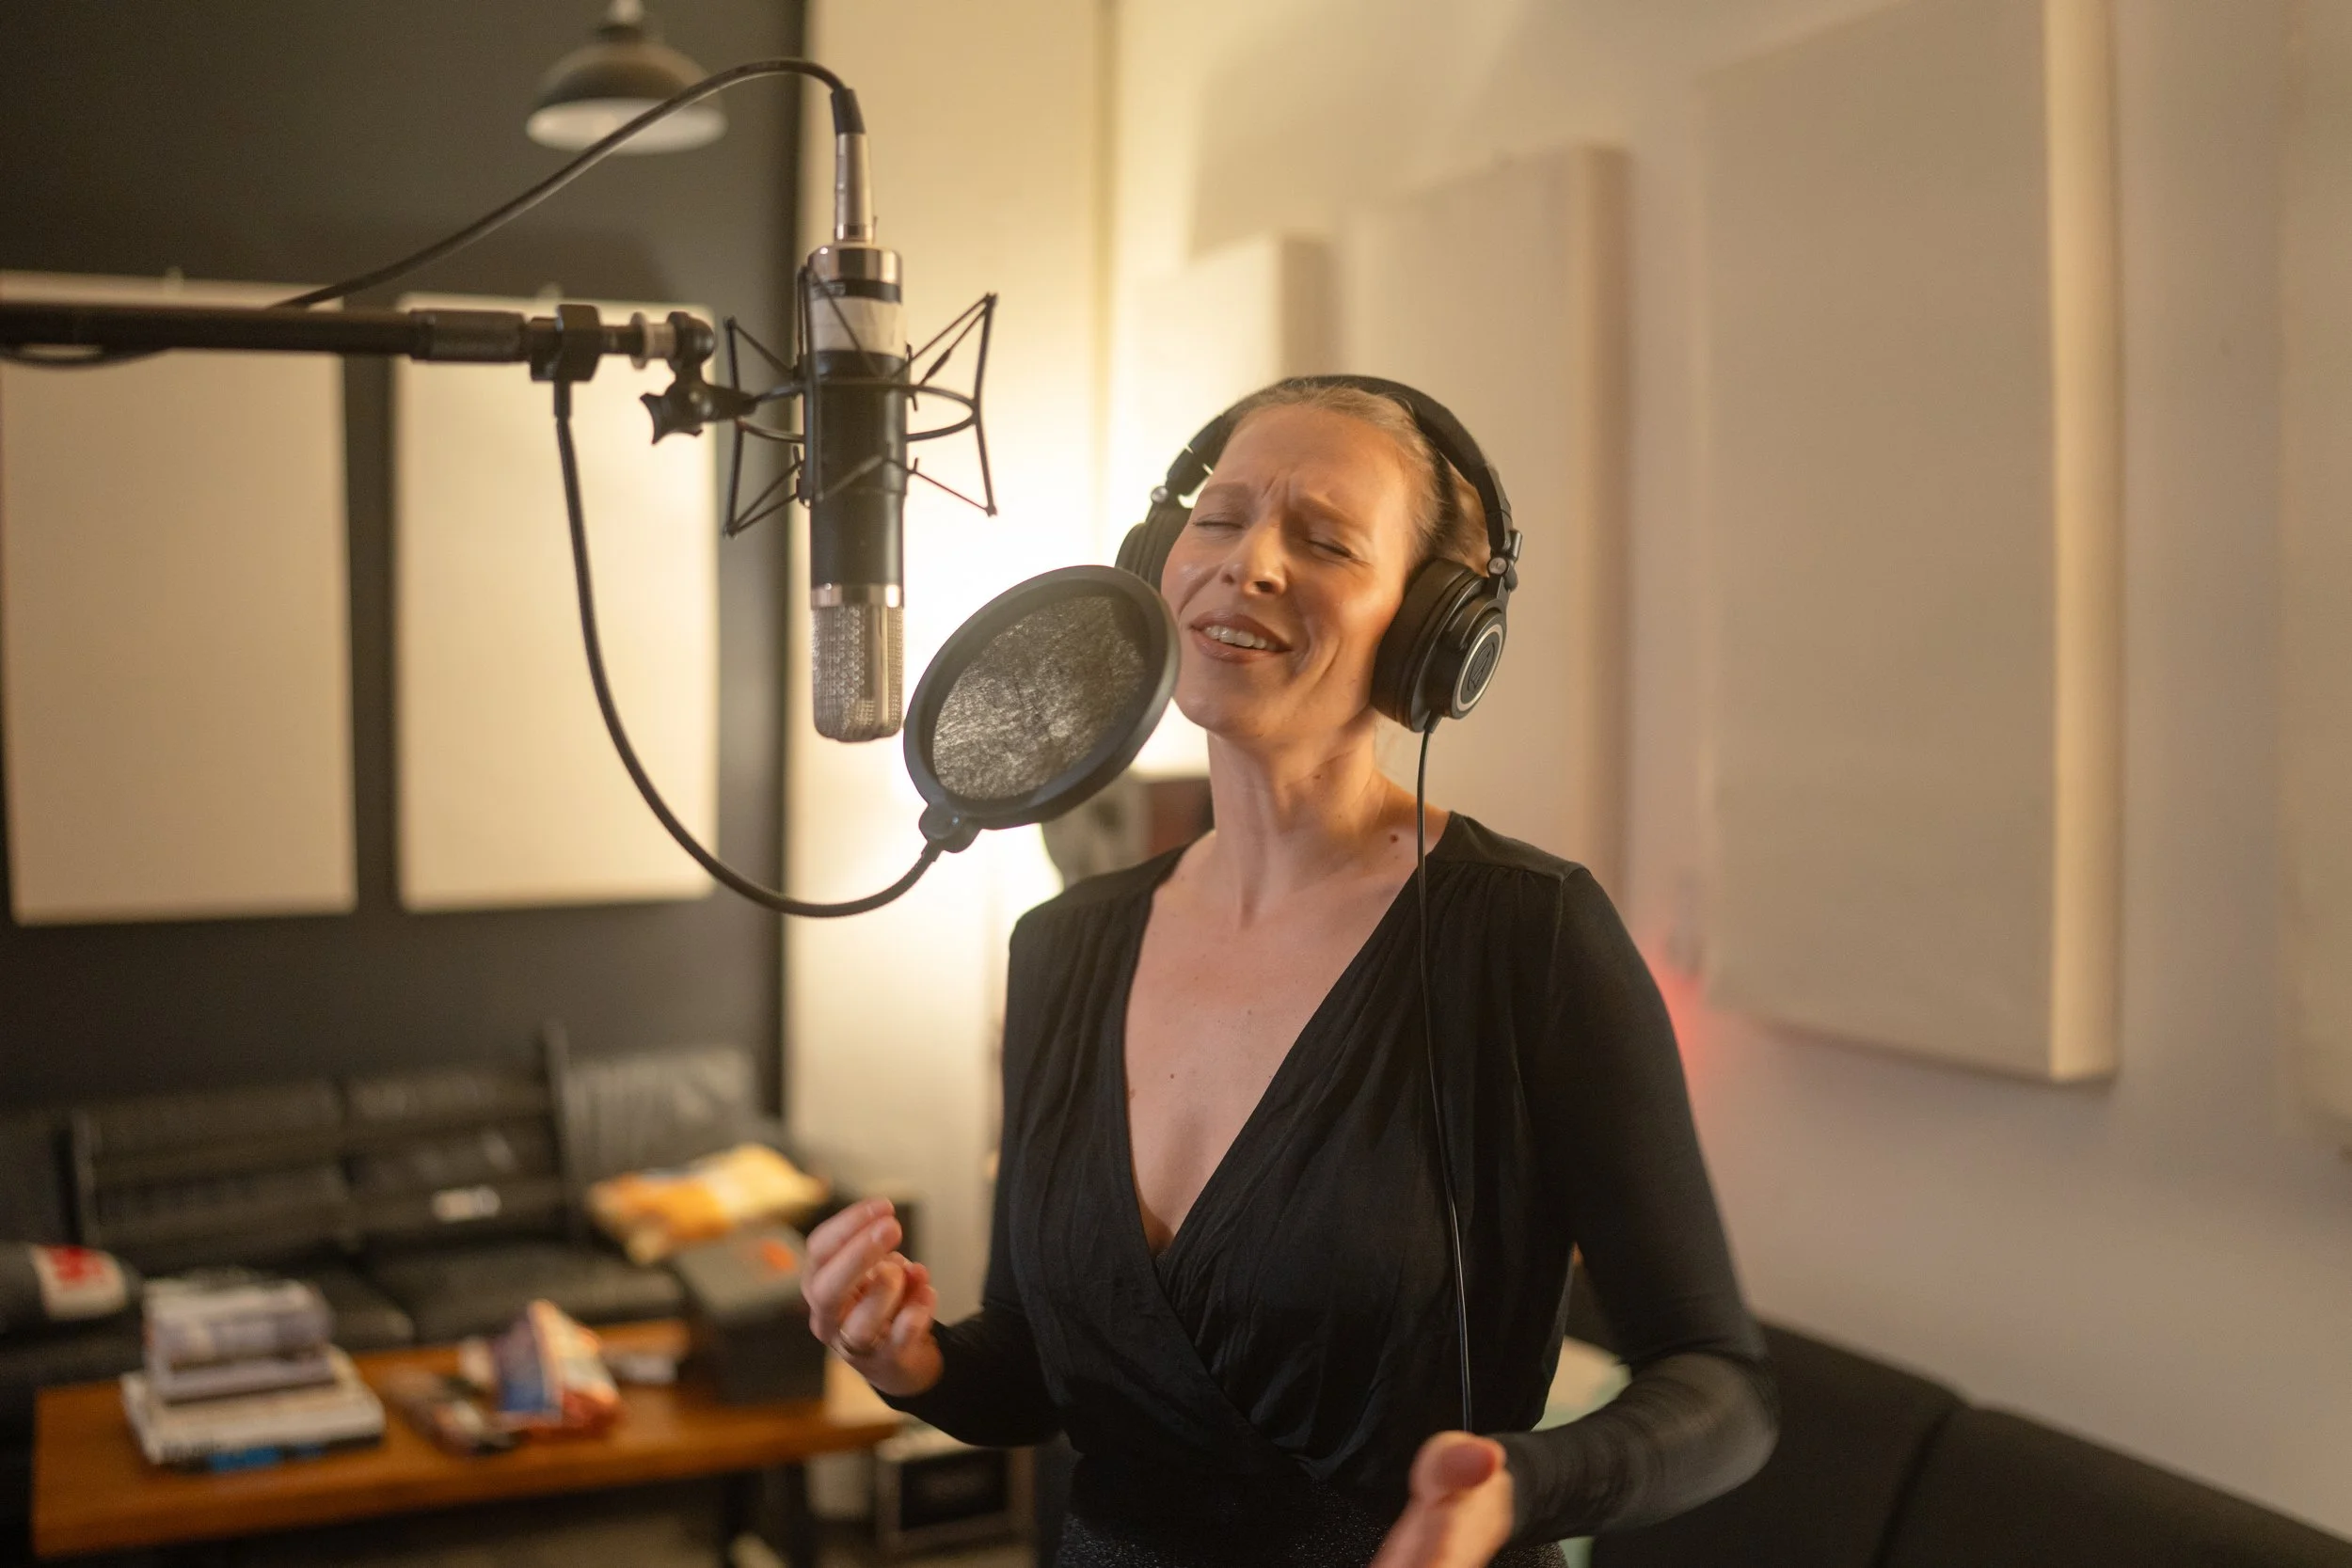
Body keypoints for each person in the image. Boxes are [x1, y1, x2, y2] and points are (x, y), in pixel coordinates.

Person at [803, 380, 1777, 1566]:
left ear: (1430, 633)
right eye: (1217, 519)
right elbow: (1034, 1372)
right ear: (1158, 562)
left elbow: (1720, 1388)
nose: (1248, 563)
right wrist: (914, 1359)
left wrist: (1514, 1485)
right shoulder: (1063, 947)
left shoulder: (1528, 938)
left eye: (1322, 540)